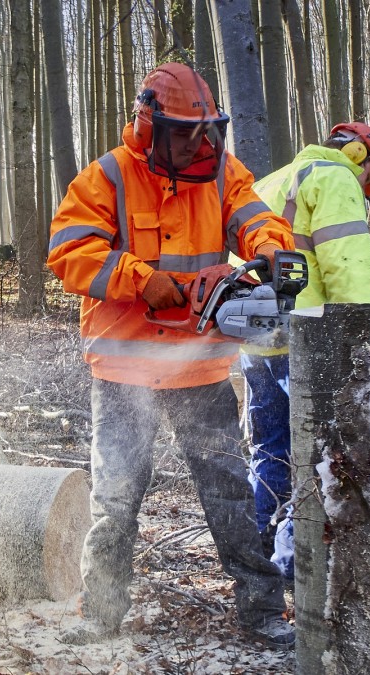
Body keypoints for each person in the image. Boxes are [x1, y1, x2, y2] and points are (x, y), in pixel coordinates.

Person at [46, 62, 296, 649]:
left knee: (229, 492)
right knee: (116, 499)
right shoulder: (107, 177)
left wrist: (266, 254)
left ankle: (262, 611)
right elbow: (68, 251)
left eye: (203, 130)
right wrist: (140, 279)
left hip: (199, 367)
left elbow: (258, 218)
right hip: (124, 371)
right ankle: (101, 613)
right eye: (183, 131)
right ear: (150, 124)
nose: (195, 142)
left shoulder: (221, 174)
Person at [241, 122, 370, 579]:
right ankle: (293, 565)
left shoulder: (271, 181)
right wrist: (366, 340)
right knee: (318, 452)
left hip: (255, 337)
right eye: (369, 172)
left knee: (269, 447)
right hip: (308, 338)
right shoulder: (334, 178)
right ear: (357, 155)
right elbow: (347, 266)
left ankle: (258, 553)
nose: (365, 183)